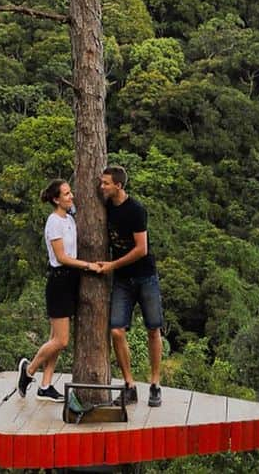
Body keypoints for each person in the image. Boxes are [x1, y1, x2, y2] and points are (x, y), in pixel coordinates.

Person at [17, 178, 97, 400]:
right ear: (56, 199)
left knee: (56, 338)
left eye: (70, 193)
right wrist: (89, 265)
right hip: (59, 280)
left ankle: (45, 386)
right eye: (66, 194)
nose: (71, 197)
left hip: (71, 280)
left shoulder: (70, 219)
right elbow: (62, 257)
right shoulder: (54, 222)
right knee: (61, 340)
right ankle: (29, 371)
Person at [96, 164, 163, 407]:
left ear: (119, 186)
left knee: (153, 329)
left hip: (145, 276)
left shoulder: (135, 210)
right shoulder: (104, 207)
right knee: (116, 330)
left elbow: (141, 249)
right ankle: (129, 384)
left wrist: (112, 265)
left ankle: (155, 384)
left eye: (106, 183)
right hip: (123, 280)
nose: (101, 187)